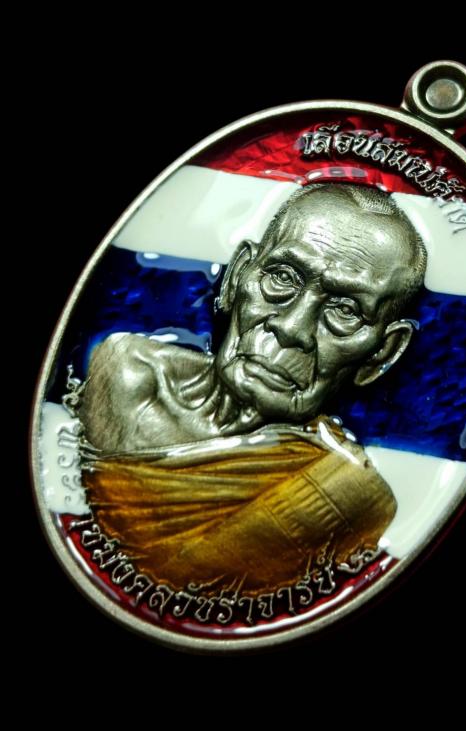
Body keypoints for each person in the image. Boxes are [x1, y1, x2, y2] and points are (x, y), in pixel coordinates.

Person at [78, 182, 427, 593]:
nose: (292, 328)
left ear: (381, 352)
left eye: (345, 310)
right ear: (238, 276)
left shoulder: (347, 494)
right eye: (282, 278)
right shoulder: (123, 375)